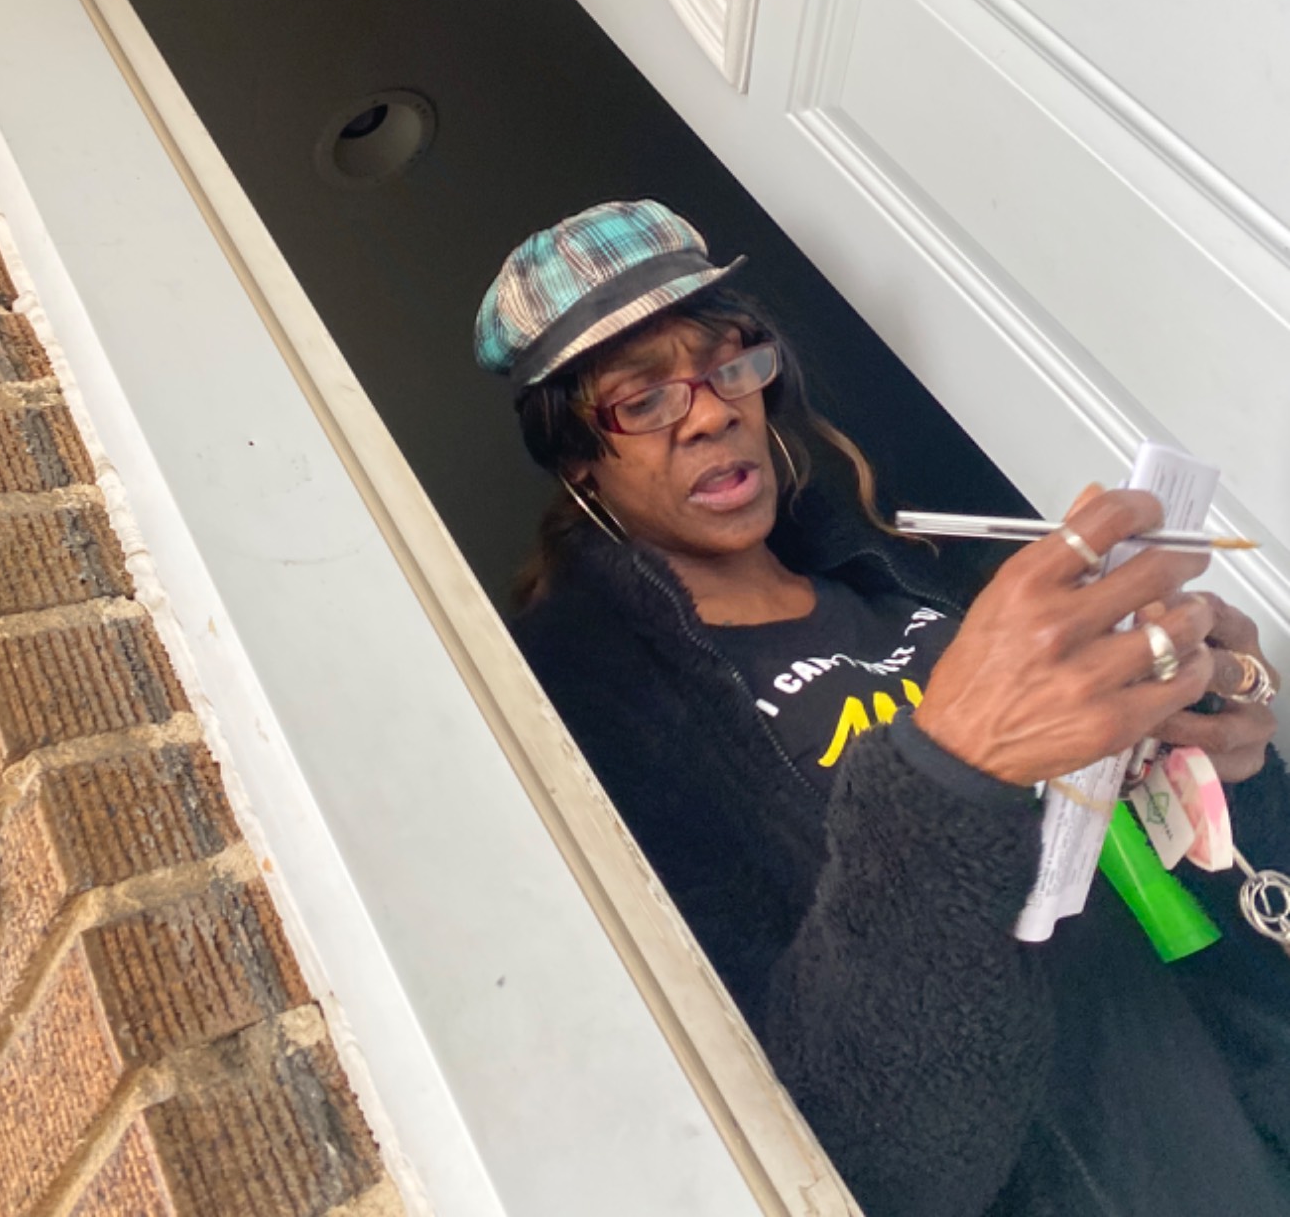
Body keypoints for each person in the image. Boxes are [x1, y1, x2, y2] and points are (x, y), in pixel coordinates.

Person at [474, 199, 1290, 1217]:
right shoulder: (597, 707)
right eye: (642, 399)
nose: (713, 412)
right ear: (576, 457)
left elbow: (1175, 875)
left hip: (1221, 1122)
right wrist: (951, 769)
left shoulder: (901, 573)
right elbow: (866, 1159)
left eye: (729, 365)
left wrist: (1225, 752)